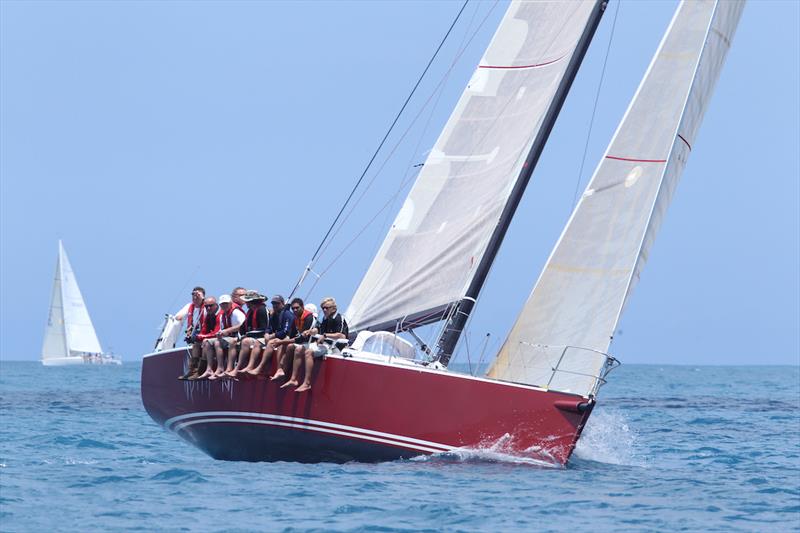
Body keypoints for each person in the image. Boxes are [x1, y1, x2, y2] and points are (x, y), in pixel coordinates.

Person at [295, 297, 348, 392]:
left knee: (308, 352)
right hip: (323, 344)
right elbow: (319, 330)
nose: (324, 310)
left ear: (333, 308)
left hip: (333, 346)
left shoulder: (339, 318)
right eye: (322, 307)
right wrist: (311, 331)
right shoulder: (325, 318)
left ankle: (307, 383)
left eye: (326, 308)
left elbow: (342, 335)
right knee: (299, 349)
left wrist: (325, 335)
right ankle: (294, 379)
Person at [201, 293, 245, 380]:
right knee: (208, 342)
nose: (224, 306)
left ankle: (227, 369)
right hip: (229, 337)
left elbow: (243, 325)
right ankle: (211, 369)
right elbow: (223, 329)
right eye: (222, 304)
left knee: (219, 343)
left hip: (239, 336)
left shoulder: (236, 312)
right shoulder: (223, 316)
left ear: (230, 303)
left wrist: (228, 331)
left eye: (226, 304)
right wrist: (220, 334)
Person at [247, 295, 294, 377]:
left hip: (286, 338)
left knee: (271, 343)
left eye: (277, 303)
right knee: (258, 342)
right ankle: (250, 366)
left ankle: (261, 368)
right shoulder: (274, 315)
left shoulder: (287, 314)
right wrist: (266, 333)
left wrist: (273, 335)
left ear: (282, 303)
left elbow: (285, 331)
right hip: (275, 337)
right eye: (273, 304)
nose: (275, 305)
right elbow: (269, 327)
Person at [226, 291, 268, 377]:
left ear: (252, 302)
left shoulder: (262, 310)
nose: (246, 303)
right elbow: (243, 328)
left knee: (246, 341)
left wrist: (247, 335)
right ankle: (229, 368)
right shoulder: (250, 312)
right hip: (252, 337)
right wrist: (239, 337)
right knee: (232, 341)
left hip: (262, 337)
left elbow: (264, 328)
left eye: (247, 301)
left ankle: (239, 368)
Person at [279, 298, 316, 390]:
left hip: (311, 343)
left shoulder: (309, 318)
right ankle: (283, 372)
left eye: (297, 308)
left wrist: (282, 341)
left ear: (302, 307)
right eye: (293, 308)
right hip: (303, 342)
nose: (295, 310)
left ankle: (294, 379)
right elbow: (292, 334)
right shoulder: (296, 318)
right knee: (289, 346)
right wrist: (283, 341)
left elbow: (303, 338)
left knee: (298, 348)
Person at [189, 297, 222, 379]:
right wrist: (196, 337)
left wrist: (202, 336)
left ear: (216, 305)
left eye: (210, 306)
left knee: (205, 342)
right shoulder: (208, 315)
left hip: (222, 337)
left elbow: (217, 331)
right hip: (212, 337)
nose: (208, 308)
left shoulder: (220, 314)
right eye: (206, 306)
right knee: (196, 344)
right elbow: (204, 330)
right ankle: (193, 370)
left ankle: (201, 371)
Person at [177, 287, 206, 380]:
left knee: (197, 344)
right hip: (195, 333)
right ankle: (192, 370)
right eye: (193, 295)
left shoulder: (206, 306)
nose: (195, 297)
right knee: (195, 343)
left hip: (205, 333)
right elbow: (179, 317)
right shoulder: (191, 307)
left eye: (198, 295)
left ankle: (196, 370)